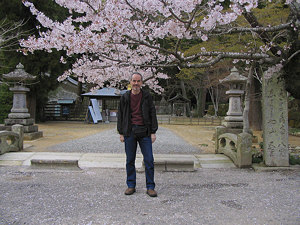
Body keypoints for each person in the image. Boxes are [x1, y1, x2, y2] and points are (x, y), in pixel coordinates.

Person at [117, 72, 158, 197]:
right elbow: (121, 116)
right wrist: (121, 133)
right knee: (130, 160)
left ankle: (150, 186)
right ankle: (131, 185)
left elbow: (152, 114)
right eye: (134, 81)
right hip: (129, 131)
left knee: (149, 159)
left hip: (145, 131)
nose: (136, 83)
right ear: (130, 82)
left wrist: (153, 132)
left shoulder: (147, 96)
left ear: (141, 83)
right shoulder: (125, 97)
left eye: (138, 81)